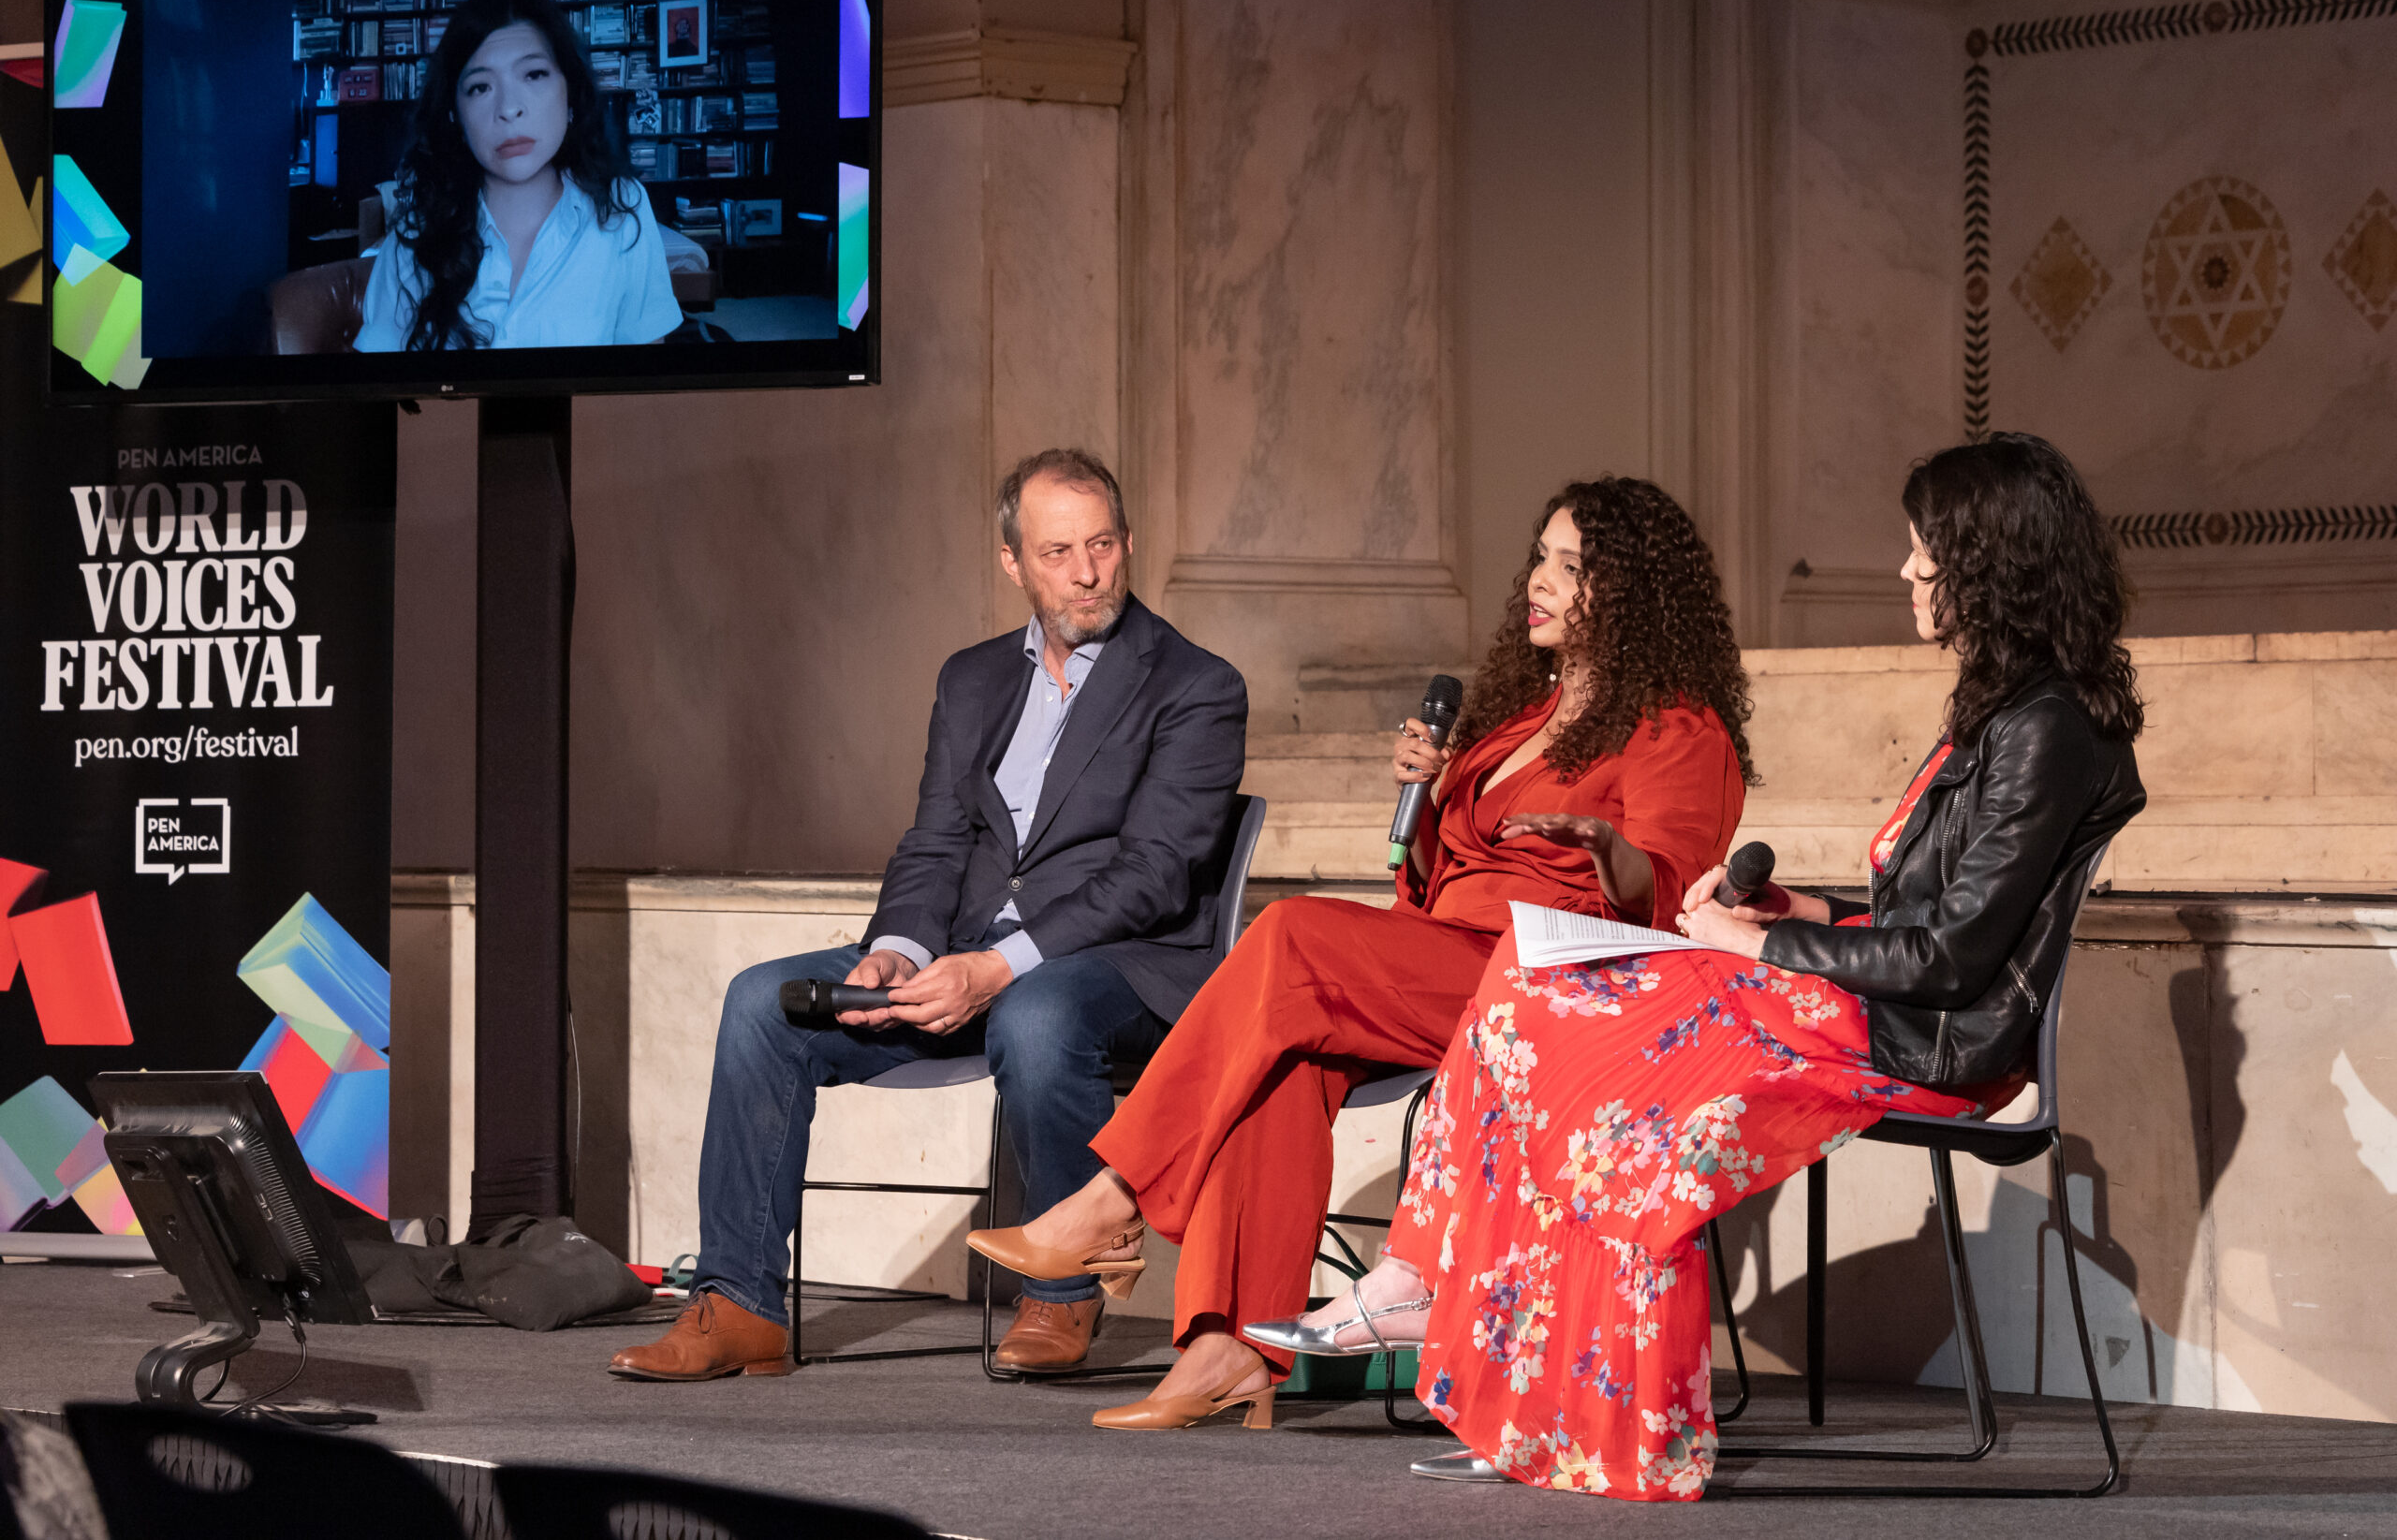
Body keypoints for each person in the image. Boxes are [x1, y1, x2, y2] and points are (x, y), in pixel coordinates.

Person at [1278, 432, 2146, 1498]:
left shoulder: (2046, 730)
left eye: (1930, 551)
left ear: (1994, 564)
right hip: (1874, 1006)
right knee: (1534, 987)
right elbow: (1922, 911)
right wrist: (1791, 907)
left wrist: (1758, 941)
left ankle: (1593, 1411)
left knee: (1613, 1092)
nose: (1910, 570)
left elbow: (1953, 958)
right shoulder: (2004, 711)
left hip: (1930, 1041)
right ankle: (1464, 1321)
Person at [970, 477, 1757, 1430]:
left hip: (1557, 984)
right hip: (1451, 963)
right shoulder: (1511, 721)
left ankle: (1117, 1194)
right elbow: (1428, 892)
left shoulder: (1679, 726)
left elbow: (1675, 908)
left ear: (1634, 595)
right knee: (1288, 1056)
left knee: (1292, 930)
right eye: (1541, 558)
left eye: (1572, 568)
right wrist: (1425, 816)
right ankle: (1227, 1348)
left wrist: (1614, 857)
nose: (1539, 583)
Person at [608, 449, 1248, 1380]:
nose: (1085, 571)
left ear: (1129, 545)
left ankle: (1062, 1293)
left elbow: (1152, 876)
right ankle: (738, 1302)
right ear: (1012, 562)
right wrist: (898, 950)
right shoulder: (974, 679)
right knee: (762, 1003)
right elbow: (936, 842)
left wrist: (999, 968)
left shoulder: (1194, 685)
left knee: (1035, 1015)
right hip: (963, 958)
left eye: (1102, 545)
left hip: (1121, 965)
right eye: (1058, 550)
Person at [356, 0, 682, 352]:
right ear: (454, 115)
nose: (509, 109)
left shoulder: (621, 208)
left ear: (570, 94)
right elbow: (378, 390)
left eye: (534, 75)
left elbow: (644, 385)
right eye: (480, 87)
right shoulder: (417, 232)